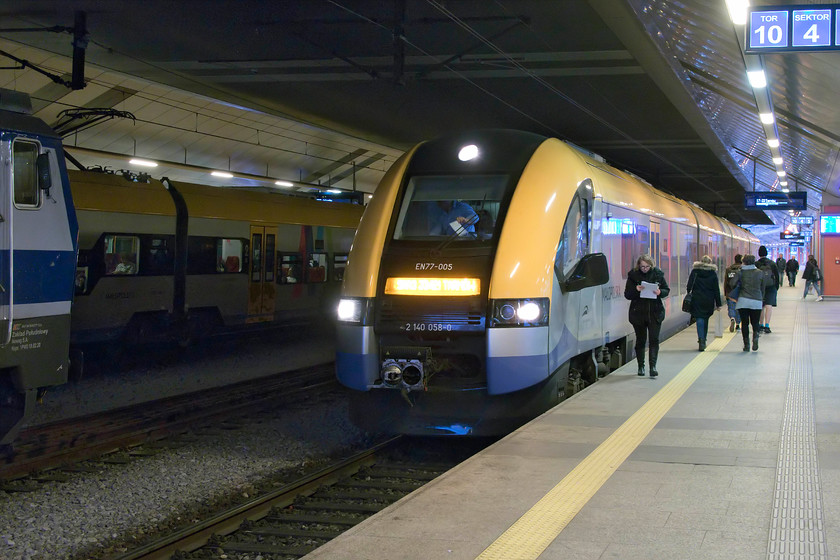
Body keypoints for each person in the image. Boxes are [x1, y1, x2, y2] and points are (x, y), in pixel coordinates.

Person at [624, 254, 670, 378]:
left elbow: (666, 290)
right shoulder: (633, 275)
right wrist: (636, 289)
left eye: (647, 267)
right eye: (642, 266)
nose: (644, 269)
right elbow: (627, 294)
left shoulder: (658, 274)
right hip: (638, 313)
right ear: (639, 265)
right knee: (641, 340)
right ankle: (641, 366)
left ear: (651, 265)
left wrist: (660, 292)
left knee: (654, 340)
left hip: (655, 313)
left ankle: (652, 367)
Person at [687, 255, 722, 351]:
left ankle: (701, 339)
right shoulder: (712, 273)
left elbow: (689, 286)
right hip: (708, 300)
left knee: (699, 318)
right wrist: (718, 303)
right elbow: (716, 290)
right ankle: (704, 339)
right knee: (705, 318)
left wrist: (690, 293)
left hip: (697, 298)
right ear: (710, 263)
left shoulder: (695, 272)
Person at [733, 254, 767, 352]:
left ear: (744, 262)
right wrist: (761, 298)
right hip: (756, 301)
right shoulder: (760, 273)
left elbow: (732, 284)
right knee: (755, 322)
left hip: (743, 301)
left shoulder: (740, 272)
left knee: (745, 323)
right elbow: (763, 288)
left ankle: (746, 344)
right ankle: (755, 337)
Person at [755, 246, 779, 333]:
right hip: (771, 287)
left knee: (761, 306)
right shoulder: (772, 263)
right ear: (766, 253)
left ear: (759, 253)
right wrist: (776, 288)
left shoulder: (756, 264)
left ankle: (760, 325)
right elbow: (777, 276)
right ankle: (767, 325)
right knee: (769, 306)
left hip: (759, 287)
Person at [723, 254, 742, 332]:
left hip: (730, 293)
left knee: (731, 308)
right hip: (740, 293)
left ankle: (732, 318)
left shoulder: (729, 269)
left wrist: (725, 293)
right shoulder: (742, 270)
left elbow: (726, 282)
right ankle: (737, 325)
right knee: (739, 310)